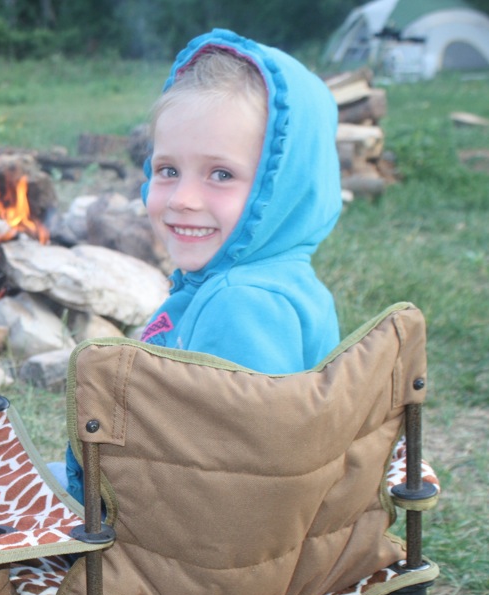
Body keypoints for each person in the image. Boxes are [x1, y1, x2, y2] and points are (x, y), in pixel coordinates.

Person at [56, 29, 343, 501]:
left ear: (282, 189)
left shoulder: (243, 306)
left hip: (179, 557)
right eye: (168, 170)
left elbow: (231, 487)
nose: (183, 200)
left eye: (221, 174)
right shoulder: (271, 279)